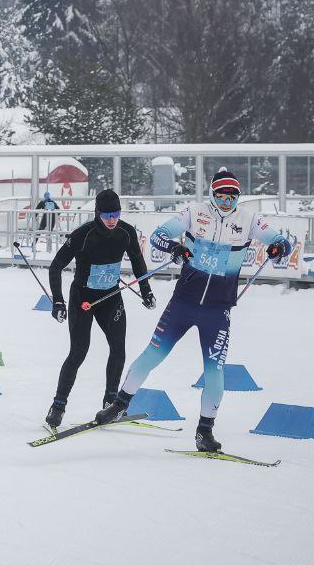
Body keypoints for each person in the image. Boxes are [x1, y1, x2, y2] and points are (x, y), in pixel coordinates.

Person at [96, 169, 291, 452]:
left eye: (231, 198)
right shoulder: (194, 212)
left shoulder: (248, 219)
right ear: (211, 195)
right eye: (220, 197)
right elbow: (158, 236)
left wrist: (279, 247)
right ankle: (119, 405)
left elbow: (279, 239)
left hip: (218, 309)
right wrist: (176, 247)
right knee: (153, 353)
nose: (226, 203)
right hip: (183, 304)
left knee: (215, 371)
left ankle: (204, 432)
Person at [44, 189, 154, 429]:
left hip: (110, 297)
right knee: (79, 352)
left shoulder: (126, 232)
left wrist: (146, 291)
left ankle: (110, 402)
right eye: (106, 214)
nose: (112, 219)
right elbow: (56, 266)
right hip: (82, 298)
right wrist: (58, 301)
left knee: (118, 349)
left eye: (116, 213)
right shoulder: (84, 234)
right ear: (97, 213)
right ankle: (58, 405)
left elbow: (137, 261)